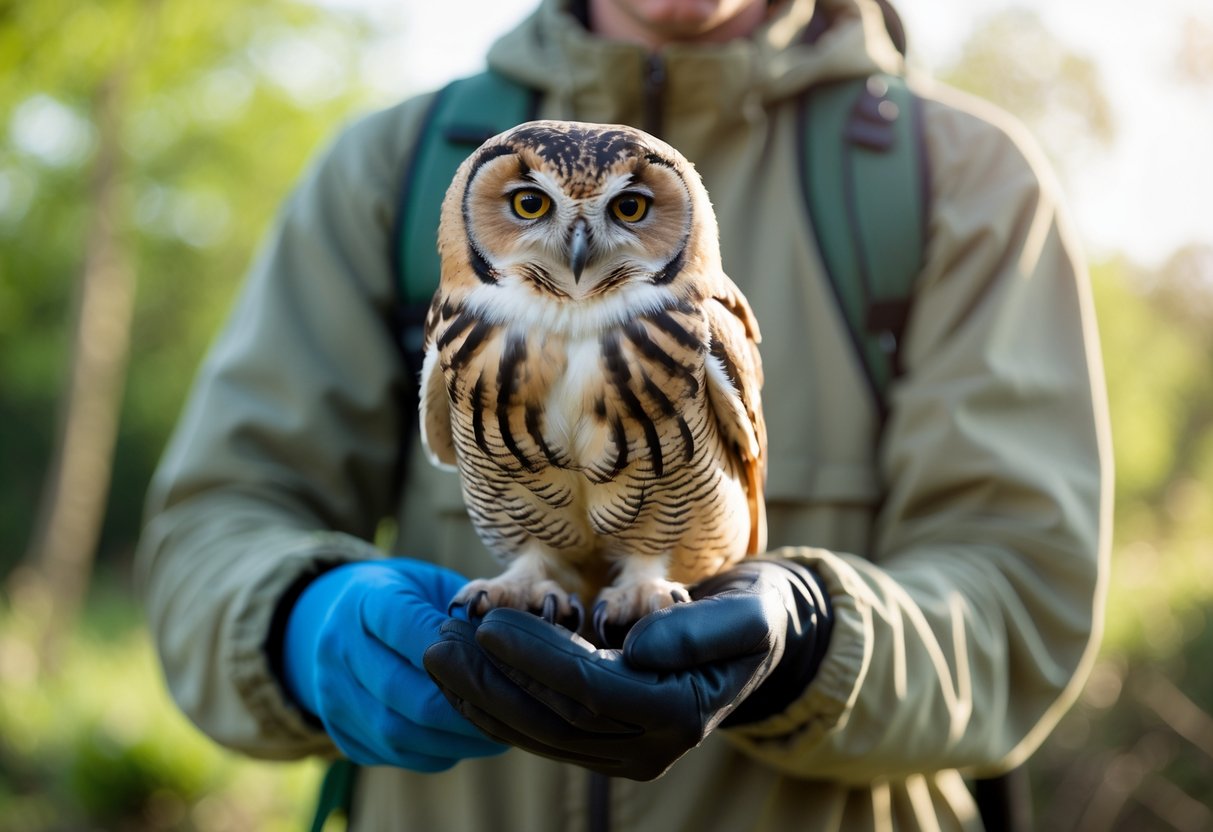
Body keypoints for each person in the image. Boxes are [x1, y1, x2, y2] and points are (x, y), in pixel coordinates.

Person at [136, 0, 1112, 829]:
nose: (576, 244)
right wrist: (303, 628)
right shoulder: (390, 168)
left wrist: (817, 644)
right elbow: (210, 528)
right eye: (526, 208)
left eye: (633, 213)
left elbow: (1024, 599)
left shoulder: (960, 182)